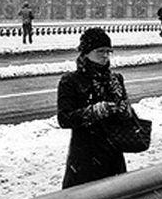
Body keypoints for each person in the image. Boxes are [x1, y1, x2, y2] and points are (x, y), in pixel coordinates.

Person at [57, 27, 135, 187]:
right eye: (100, 51)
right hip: (85, 157)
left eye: (108, 51)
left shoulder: (115, 79)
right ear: (86, 52)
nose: (106, 56)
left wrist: (125, 110)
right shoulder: (71, 81)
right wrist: (95, 111)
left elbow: (127, 114)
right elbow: (64, 118)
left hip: (113, 155)